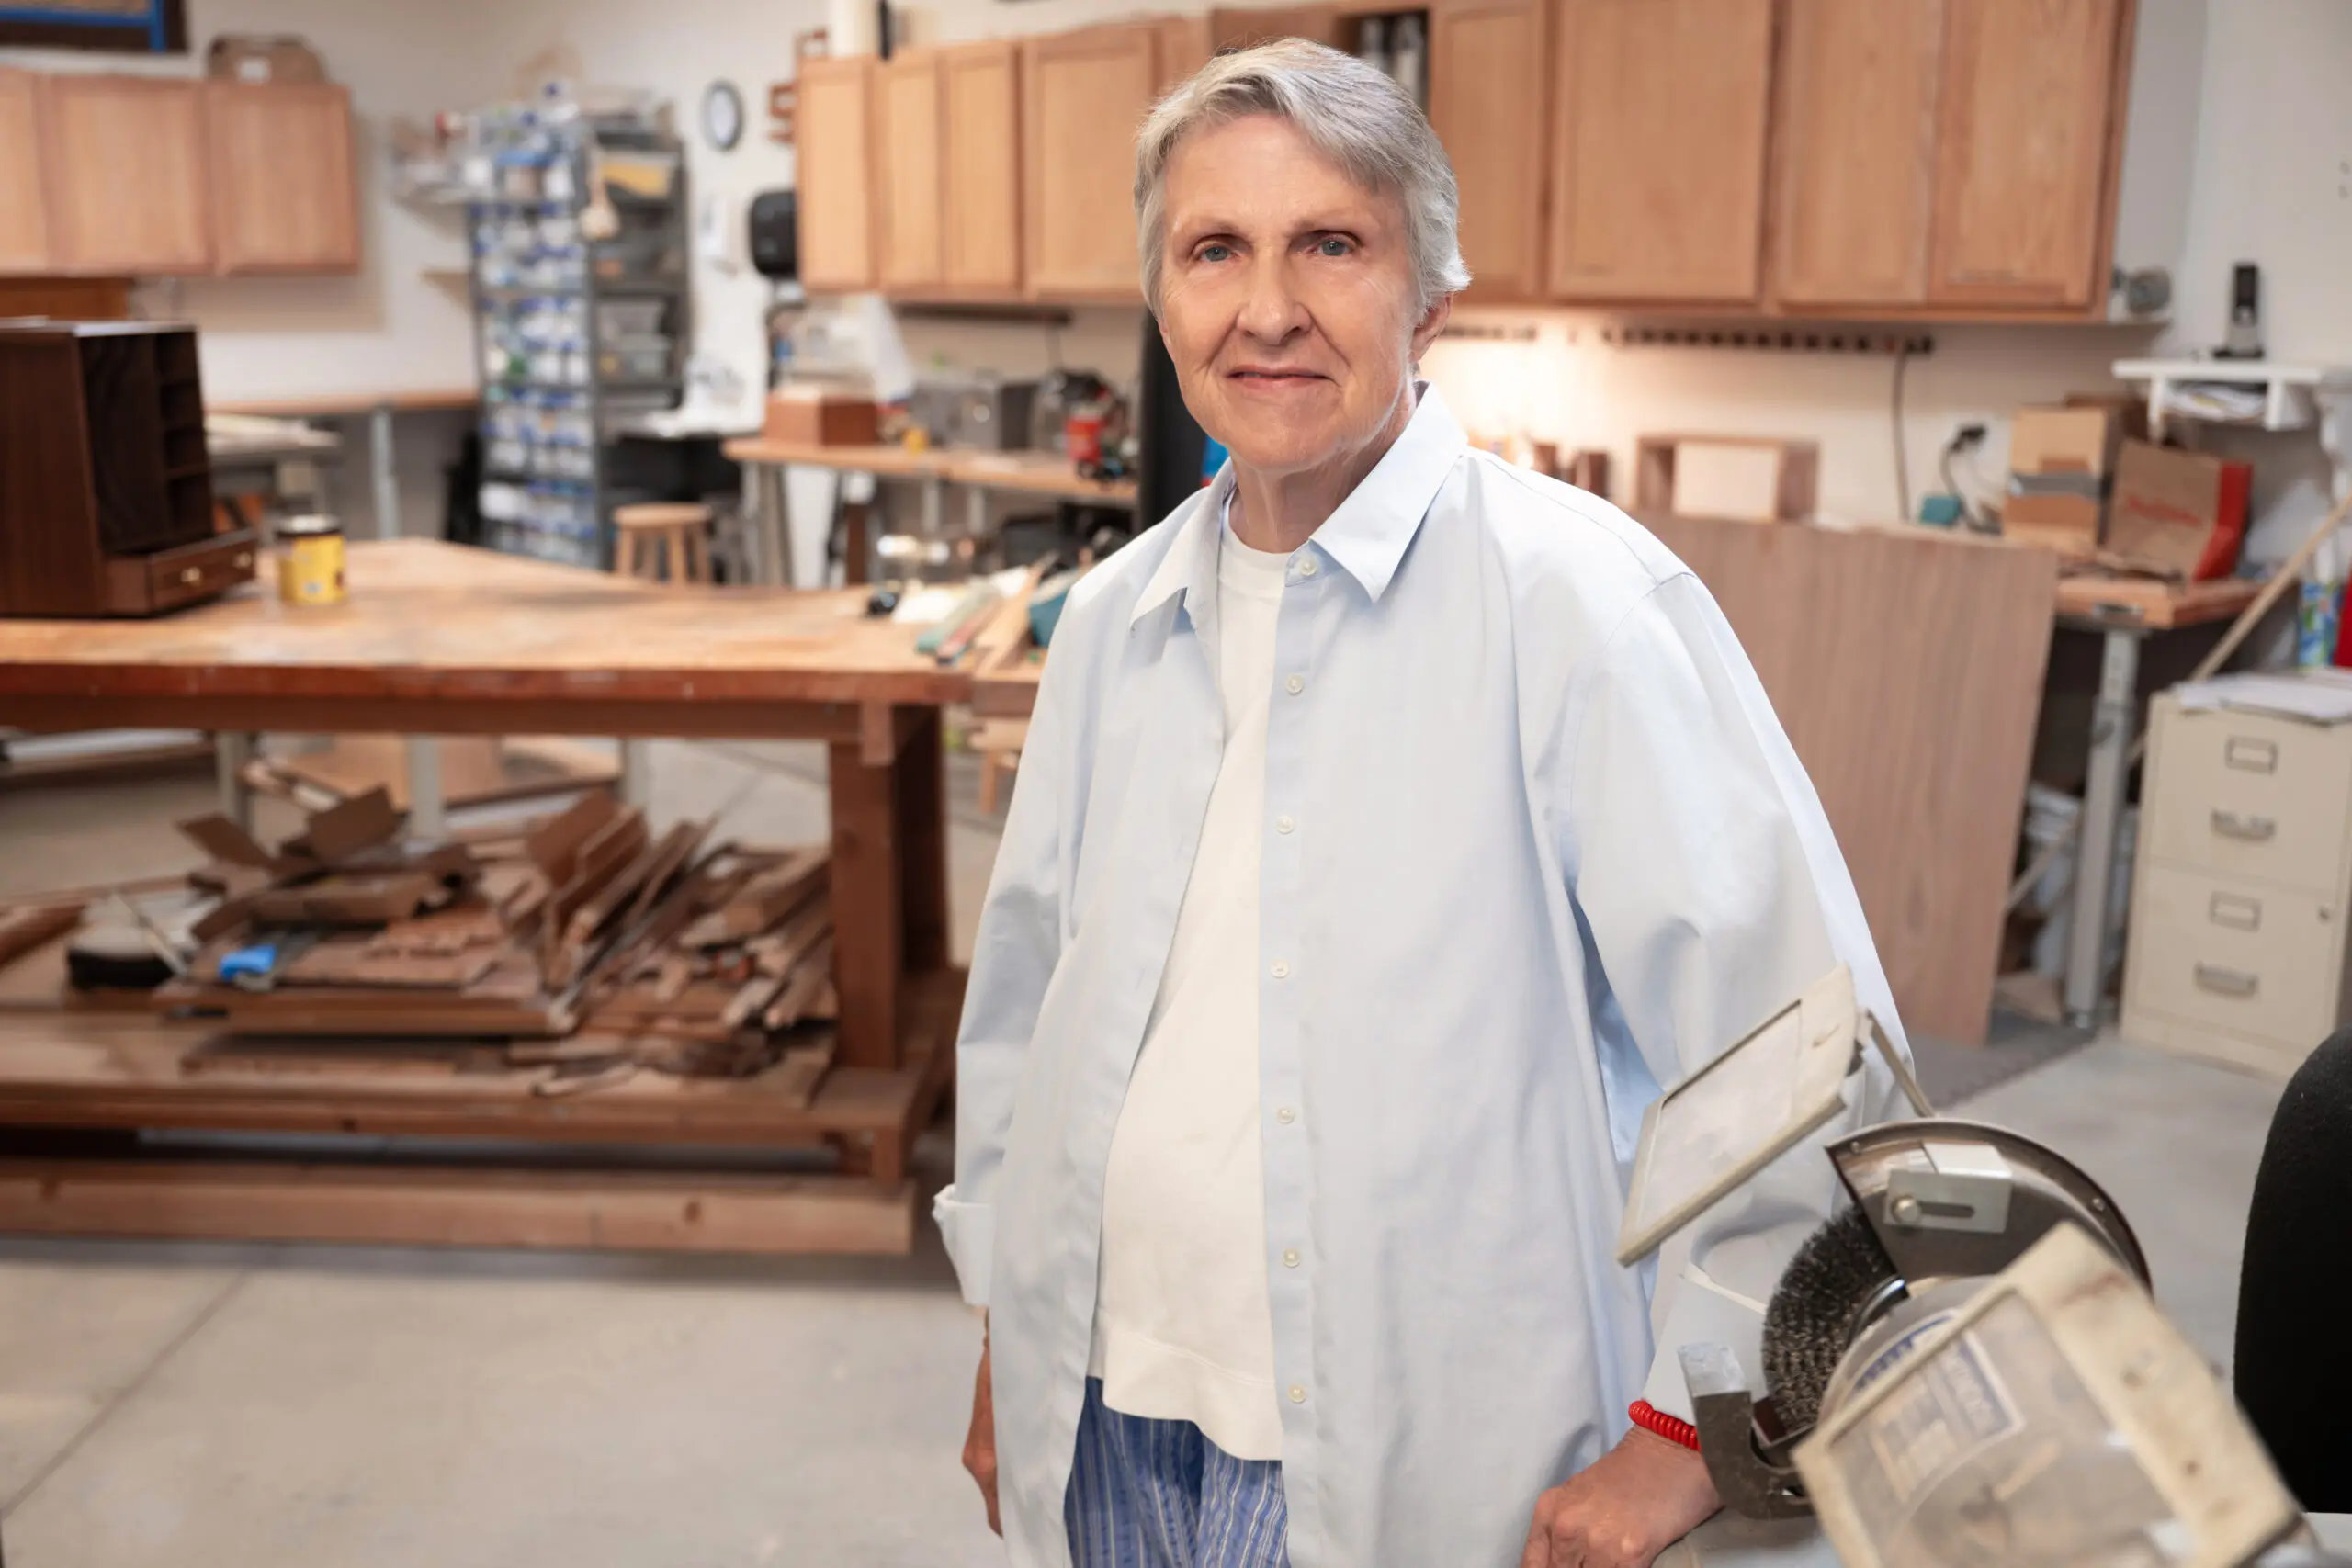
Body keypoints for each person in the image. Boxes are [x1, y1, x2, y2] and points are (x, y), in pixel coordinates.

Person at [934, 38, 1908, 1568]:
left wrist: (1695, 1432)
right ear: (1162, 295)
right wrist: (1012, 1325)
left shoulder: (1578, 605)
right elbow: (1027, 1014)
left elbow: (1797, 1054)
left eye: (1331, 242)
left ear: (1431, 291)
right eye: (1215, 250)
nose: (1267, 308)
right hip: (1111, 1412)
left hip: (1421, 1446)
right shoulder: (1117, 622)